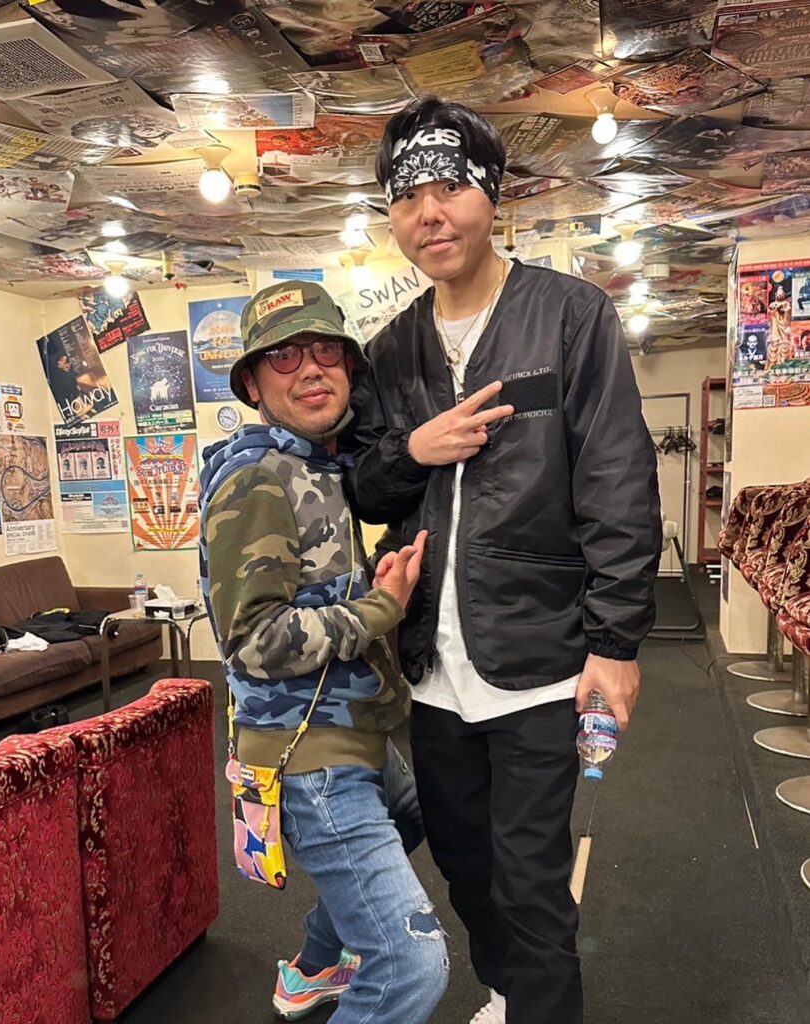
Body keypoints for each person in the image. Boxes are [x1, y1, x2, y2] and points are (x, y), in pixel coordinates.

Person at [344, 98, 662, 1024]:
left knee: (529, 878)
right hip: (431, 672)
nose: (429, 214)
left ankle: (539, 1005)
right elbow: (366, 487)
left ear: (491, 195)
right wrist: (413, 451)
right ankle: (509, 993)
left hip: (541, 657)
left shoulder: (568, 316)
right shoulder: (391, 350)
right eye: (408, 198)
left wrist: (615, 643)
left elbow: (616, 479)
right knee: (462, 862)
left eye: (450, 188)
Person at [198, 280, 448, 1023]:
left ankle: (312, 967)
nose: (309, 368)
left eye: (324, 351)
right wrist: (380, 608)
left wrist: (371, 584)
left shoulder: (316, 464)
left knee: (415, 815)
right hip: (308, 759)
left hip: (352, 730)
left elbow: (310, 589)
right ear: (252, 383)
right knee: (411, 967)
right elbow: (254, 643)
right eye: (283, 356)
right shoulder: (256, 478)